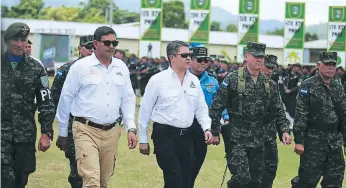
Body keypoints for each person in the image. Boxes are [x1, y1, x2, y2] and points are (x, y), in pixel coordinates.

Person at [56, 26, 137, 188]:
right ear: (95, 43)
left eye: (115, 42)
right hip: (85, 130)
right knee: (91, 181)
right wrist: (63, 132)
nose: (112, 46)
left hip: (112, 131)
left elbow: (128, 98)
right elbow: (66, 98)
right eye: (107, 42)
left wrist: (131, 128)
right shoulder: (80, 67)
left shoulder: (121, 67)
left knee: (103, 182)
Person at [209, 42, 291, 188]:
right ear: (247, 56)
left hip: (259, 140)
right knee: (241, 177)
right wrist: (215, 131)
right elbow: (217, 106)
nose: (259, 60)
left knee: (255, 180)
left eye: (261, 57)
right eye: (256, 56)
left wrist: (284, 130)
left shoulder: (269, 84)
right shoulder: (233, 79)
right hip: (237, 138)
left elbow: (278, 110)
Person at [138, 40, 213, 188]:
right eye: (184, 55)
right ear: (172, 58)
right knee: (174, 176)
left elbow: (201, 108)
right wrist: (143, 139)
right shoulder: (157, 80)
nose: (188, 58)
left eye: (190, 55)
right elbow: (145, 110)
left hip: (187, 136)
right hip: (164, 135)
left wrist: (207, 128)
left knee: (186, 180)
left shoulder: (194, 81)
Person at [1, 22, 55, 188]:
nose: (19, 44)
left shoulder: (36, 68)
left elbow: (45, 102)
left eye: (23, 40)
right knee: (5, 178)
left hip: (25, 135)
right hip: (2, 133)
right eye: (15, 40)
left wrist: (46, 132)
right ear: (6, 40)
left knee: (20, 179)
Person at [291, 52, 346, 188]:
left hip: (334, 141)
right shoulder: (308, 85)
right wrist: (299, 141)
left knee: (334, 180)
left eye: (333, 65)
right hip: (313, 141)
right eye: (327, 64)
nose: (331, 68)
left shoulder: (338, 85)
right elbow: (301, 115)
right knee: (306, 181)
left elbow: (344, 115)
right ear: (318, 66)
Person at [51, 35, 94, 188]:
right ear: (79, 48)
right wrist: (55, 128)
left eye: (94, 47)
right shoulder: (67, 69)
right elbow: (54, 97)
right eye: (88, 47)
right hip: (73, 126)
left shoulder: (103, 69)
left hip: (97, 127)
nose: (91, 50)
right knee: (77, 170)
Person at [188, 47, 229, 187]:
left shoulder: (212, 79)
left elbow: (219, 102)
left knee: (195, 166)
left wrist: (226, 117)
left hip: (203, 128)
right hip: (183, 126)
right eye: (199, 60)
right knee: (180, 167)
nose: (203, 63)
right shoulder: (182, 77)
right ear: (190, 60)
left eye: (206, 60)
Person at [260, 54, 291, 188]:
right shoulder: (242, 82)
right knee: (247, 173)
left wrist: (284, 130)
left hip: (268, 134)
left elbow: (279, 110)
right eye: (267, 67)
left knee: (270, 168)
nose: (270, 71)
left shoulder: (272, 86)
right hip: (247, 134)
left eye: (272, 69)